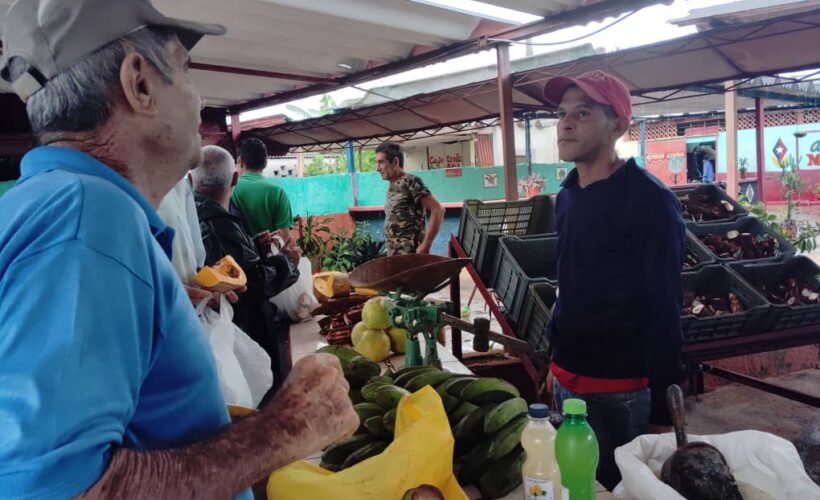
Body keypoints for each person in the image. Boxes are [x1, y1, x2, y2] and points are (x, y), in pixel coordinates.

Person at [0, 1, 358, 499]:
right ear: (139, 83)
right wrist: (286, 429)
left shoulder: (51, 203)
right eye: (187, 71)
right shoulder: (88, 219)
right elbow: (54, 489)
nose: (199, 99)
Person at [541, 70, 685, 489]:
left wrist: (661, 409)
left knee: (622, 489)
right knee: (577, 486)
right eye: (562, 113)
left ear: (618, 126)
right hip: (568, 379)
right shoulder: (568, 193)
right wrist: (556, 358)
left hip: (621, 390)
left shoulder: (651, 202)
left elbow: (666, 307)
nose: (566, 123)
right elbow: (568, 282)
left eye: (583, 113)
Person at [192, 145, 300, 391]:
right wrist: (287, 262)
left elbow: (226, 265)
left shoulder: (192, 215)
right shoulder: (219, 222)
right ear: (234, 178)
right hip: (246, 327)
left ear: (190, 179)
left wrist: (253, 246)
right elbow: (252, 282)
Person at [375, 142, 444, 255]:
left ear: (395, 162)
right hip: (397, 257)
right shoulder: (392, 186)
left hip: (412, 257)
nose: (377, 168)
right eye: (376, 163)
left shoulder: (410, 182)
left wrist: (426, 244)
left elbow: (438, 209)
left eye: (381, 162)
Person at [231, 137, 296, 244]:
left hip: (237, 258)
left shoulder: (230, 188)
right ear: (265, 163)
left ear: (241, 162)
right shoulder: (278, 192)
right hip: (271, 259)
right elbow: (285, 238)